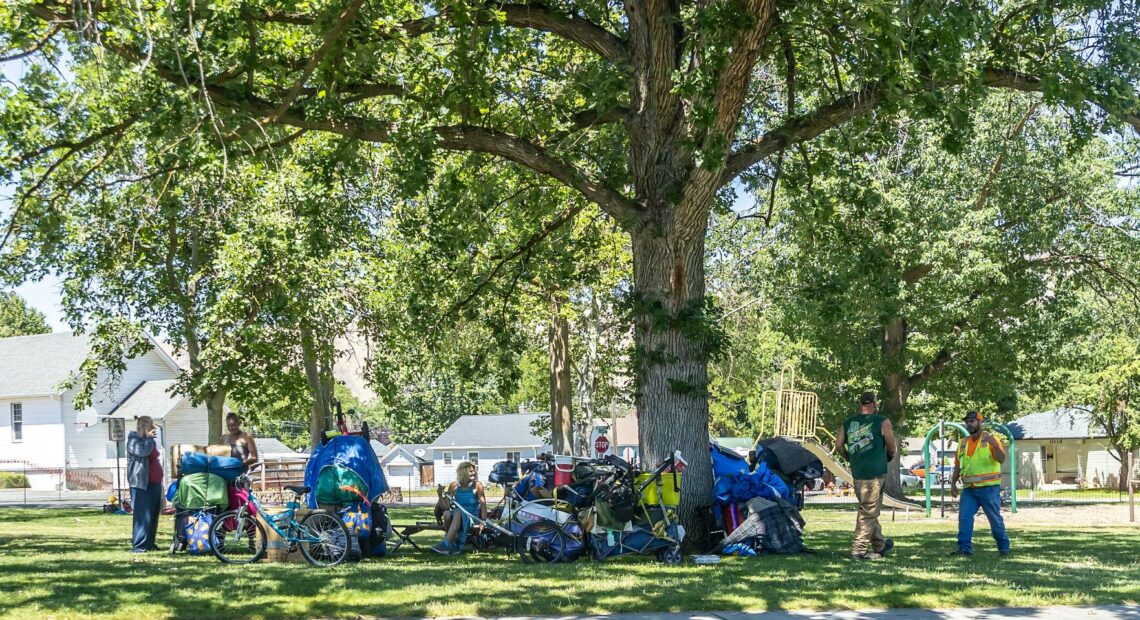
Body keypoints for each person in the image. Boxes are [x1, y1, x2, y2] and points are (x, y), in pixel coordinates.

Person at [835, 391, 897, 560]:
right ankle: (859, 549)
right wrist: (889, 456)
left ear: (860, 404)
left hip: (858, 474)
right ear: (875, 404)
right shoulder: (882, 421)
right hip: (874, 474)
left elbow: (838, 444)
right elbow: (891, 445)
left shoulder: (848, 423)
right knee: (868, 512)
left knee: (870, 509)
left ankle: (880, 545)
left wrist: (850, 457)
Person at [949, 410, 1011, 557]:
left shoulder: (991, 438)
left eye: (972, 421)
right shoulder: (963, 443)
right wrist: (952, 483)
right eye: (967, 421)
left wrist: (994, 445)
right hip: (969, 489)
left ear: (980, 422)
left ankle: (1003, 548)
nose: (969, 424)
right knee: (964, 517)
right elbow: (958, 465)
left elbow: (1001, 459)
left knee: (994, 518)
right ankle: (964, 549)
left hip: (989, 488)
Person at [431, 461, 487, 555]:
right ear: (463, 472)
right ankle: (452, 545)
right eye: (471, 471)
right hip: (458, 517)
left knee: (457, 512)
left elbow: (483, 504)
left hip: (471, 518)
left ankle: (446, 544)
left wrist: (483, 521)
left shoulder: (477, 485)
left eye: (474, 471)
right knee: (447, 513)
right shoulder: (454, 486)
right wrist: (440, 494)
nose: (474, 473)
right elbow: (445, 507)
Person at [126, 416, 164, 553]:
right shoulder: (133, 440)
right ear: (142, 427)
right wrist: (148, 438)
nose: (152, 428)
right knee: (142, 515)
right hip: (141, 483)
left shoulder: (149, 441)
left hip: (154, 483)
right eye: (149, 426)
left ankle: (149, 543)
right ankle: (139, 545)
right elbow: (143, 452)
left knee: (153, 515)